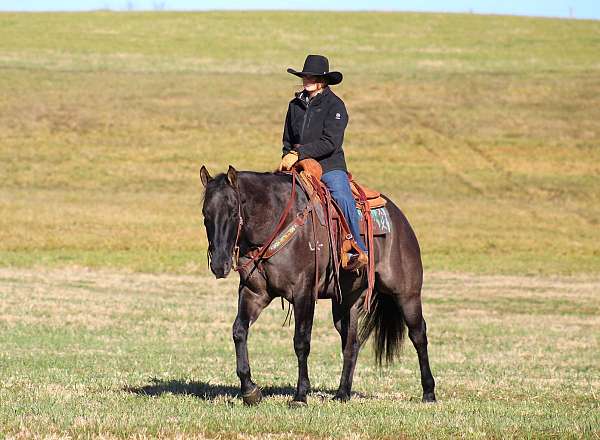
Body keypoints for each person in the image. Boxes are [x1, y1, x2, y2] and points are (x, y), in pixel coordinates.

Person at [278, 54, 368, 268]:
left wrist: (300, 153)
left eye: (312, 77)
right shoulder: (294, 105)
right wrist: (287, 156)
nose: (307, 80)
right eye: (305, 76)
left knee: (342, 196)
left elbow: (331, 142)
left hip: (329, 165)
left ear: (323, 81)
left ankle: (357, 247)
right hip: (298, 166)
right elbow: (287, 139)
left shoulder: (335, 106)